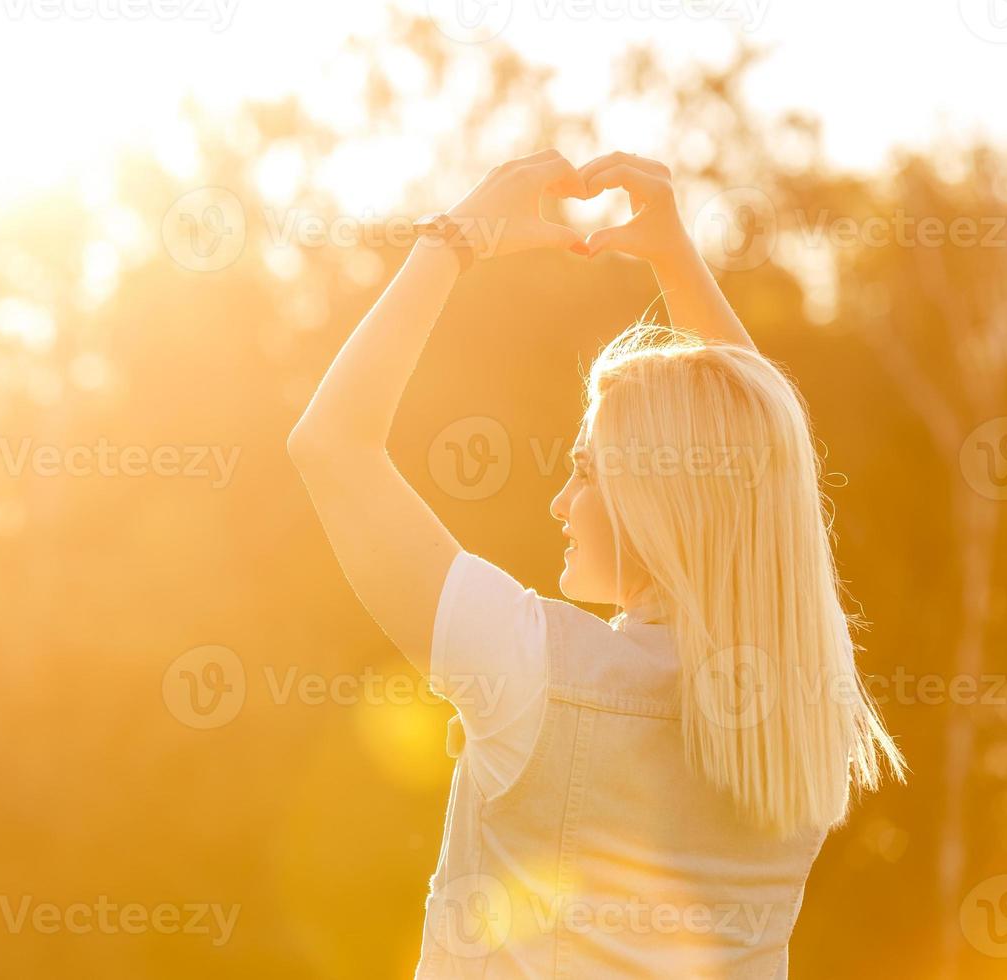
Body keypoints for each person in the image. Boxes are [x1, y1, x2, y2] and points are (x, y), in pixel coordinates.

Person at [286, 149, 905, 978]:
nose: (559, 503)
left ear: (657, 502)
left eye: (585, 470)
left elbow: (330, 447)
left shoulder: (534, 671)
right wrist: (674, 258)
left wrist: (453, 239)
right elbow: (764, 482)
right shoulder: (804, 709)